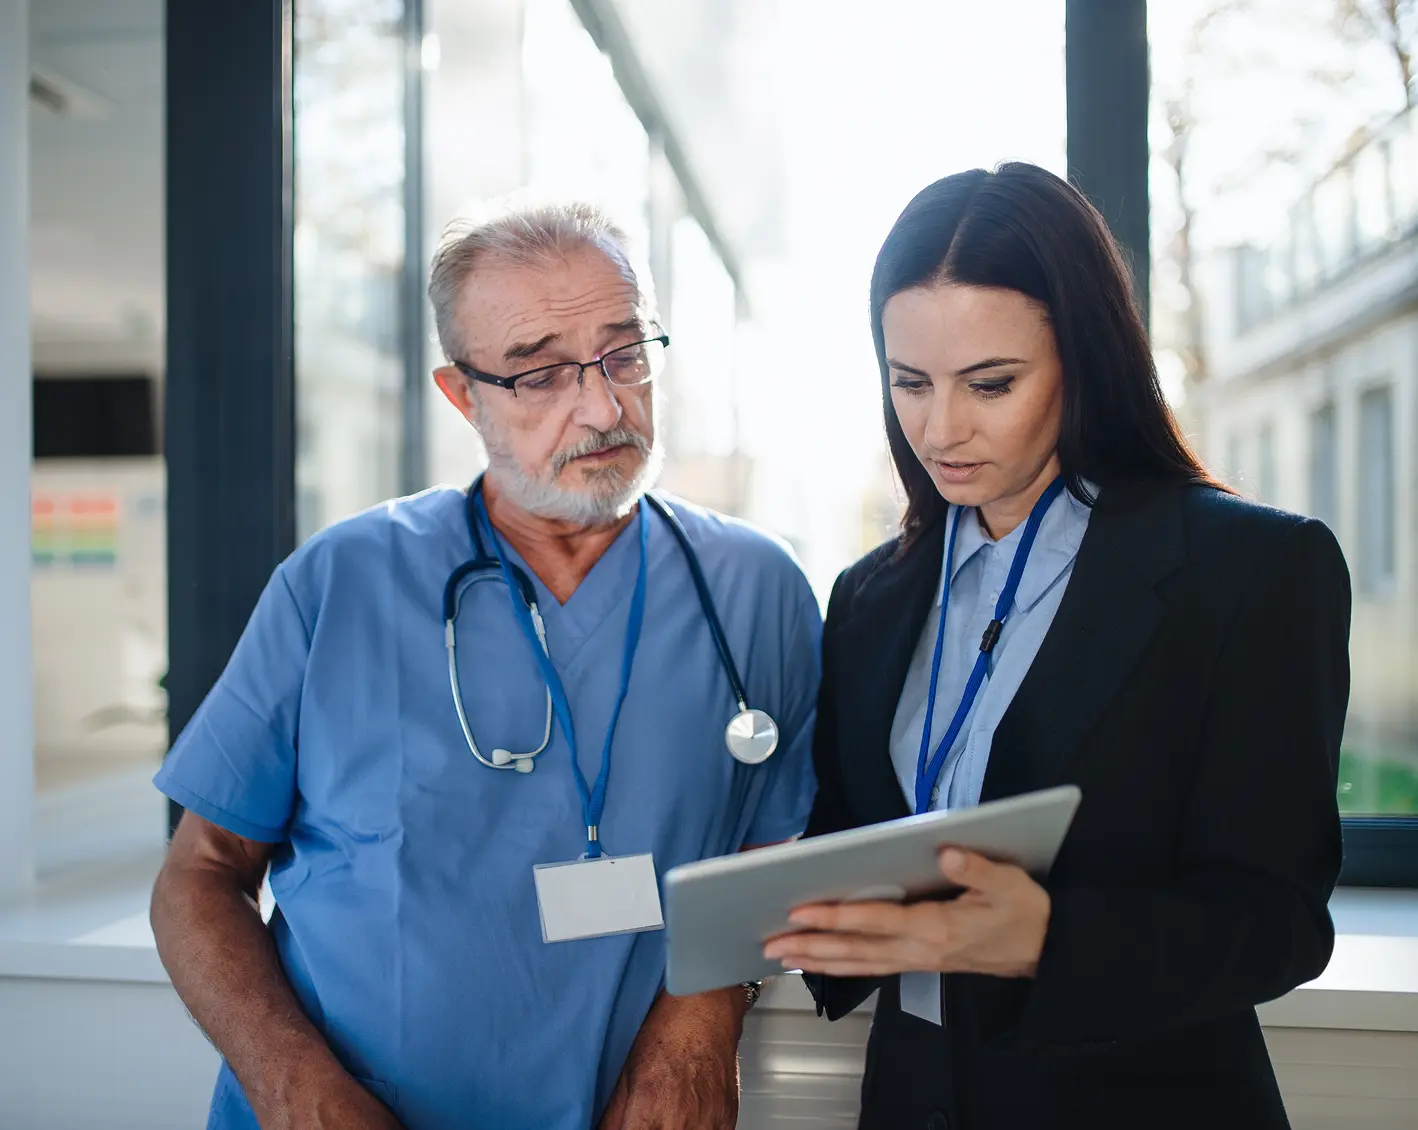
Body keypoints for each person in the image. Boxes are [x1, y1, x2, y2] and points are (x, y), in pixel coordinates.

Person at [149, 201, 821, 1130]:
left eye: (624, 354)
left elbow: (773, 846)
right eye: (540, 373)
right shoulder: (338, 582)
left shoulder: (755, 589)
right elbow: (201, 873)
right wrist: (290, 1085)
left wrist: (701, 1018)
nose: (603, 406)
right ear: (462, 395)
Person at [763, 163, 1351, 1130]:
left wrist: (1046, 935)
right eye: (909, 383)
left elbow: (1278, 923)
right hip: (913, 1097)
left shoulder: (1251, 571)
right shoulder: (868, 595)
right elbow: (857, 837)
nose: (940, 430)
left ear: (1085, 358)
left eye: (990, 384)